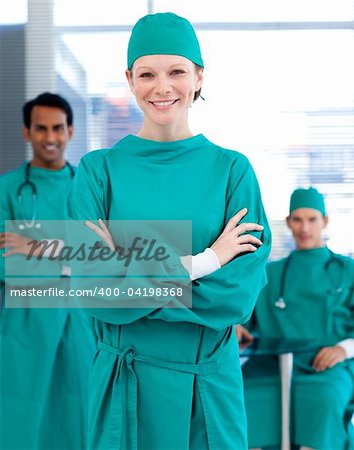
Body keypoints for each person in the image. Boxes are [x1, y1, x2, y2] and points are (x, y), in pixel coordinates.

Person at [66, 12, 271, 449]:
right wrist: (207, 261)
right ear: (129, 79)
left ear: (198, 76)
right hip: (126, 389)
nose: (162, 87)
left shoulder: (233, 172)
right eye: (147, 74)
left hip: (207, 393)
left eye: (177, 71)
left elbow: (237, 296)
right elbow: (89, 287)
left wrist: (127, 277)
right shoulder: (97, 172)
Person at [0, 92, 95, 449]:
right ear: (27, 132)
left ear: (71, 131)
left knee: (80, 422)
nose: (50, 137)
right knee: (22, 426)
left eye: (58, 128)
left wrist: (34, 249)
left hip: (83, 326)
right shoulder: (7, 190)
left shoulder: (88, 189)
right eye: (41, 128)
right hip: (25, 329)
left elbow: (102, 258)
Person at [238, 187, 354, 450]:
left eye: (311, 219)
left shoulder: (347, 271)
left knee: (326, 399)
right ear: (289, 223)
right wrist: (236, 326)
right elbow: (243, 317)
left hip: (325, 364)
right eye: (297, 219)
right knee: (242, 396)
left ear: (325, 221)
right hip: (270, 366)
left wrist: (342, 349)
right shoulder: (270, 274)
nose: (304, 228)